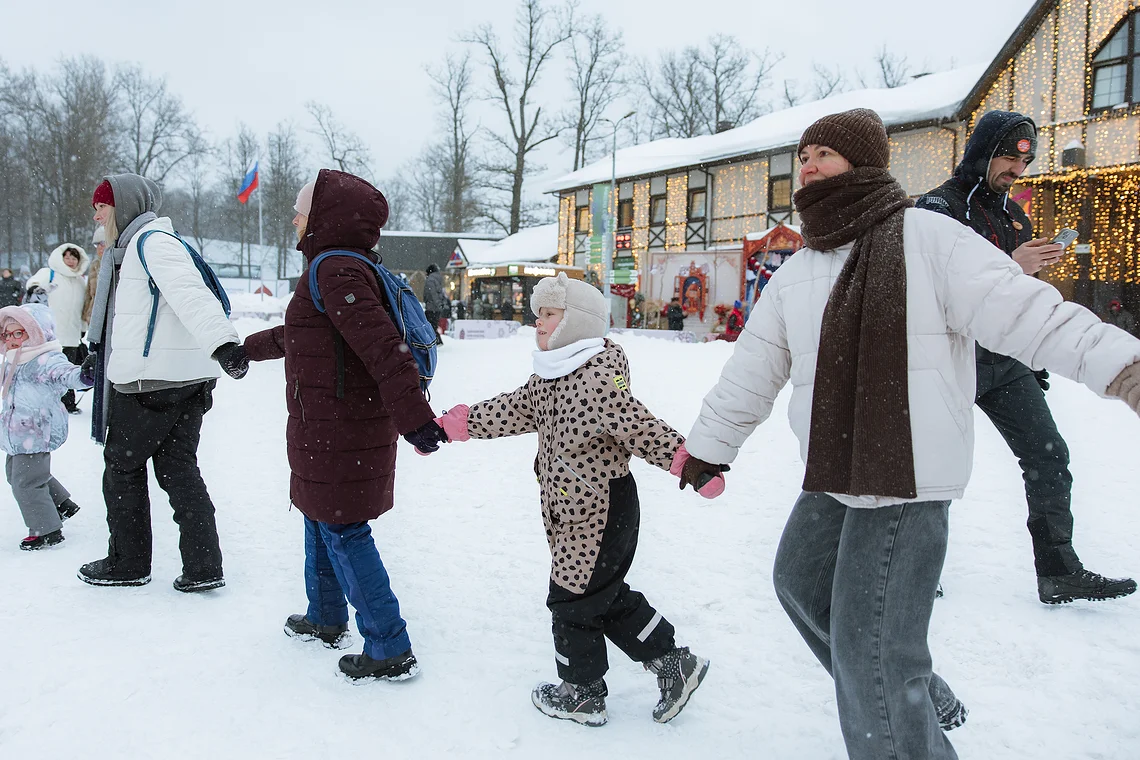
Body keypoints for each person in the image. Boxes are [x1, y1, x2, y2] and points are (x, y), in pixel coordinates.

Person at [679, 108, 1140, 760]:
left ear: (863, 164)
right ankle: (916, 690)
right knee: (800, 584)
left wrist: (1125, 370)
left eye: (825, 154)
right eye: (804, 154)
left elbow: (1026, 312)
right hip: (833, 471)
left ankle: (902, 700)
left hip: (906, 476)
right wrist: (708, 447)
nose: (808, 164)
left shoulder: (928, 238)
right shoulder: (800, 272)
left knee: (873, 662)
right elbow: (752, 370)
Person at [434, 272, 718, 727]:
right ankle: (673, 662)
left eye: (548, 315)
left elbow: (642, 427)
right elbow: (511, 409)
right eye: (537, 316)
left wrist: (689, 463)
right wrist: (456, 425)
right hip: (571, 509)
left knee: (570, 599)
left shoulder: (598, 378)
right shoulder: (550, 375)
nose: (538, 324)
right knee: (599, 596)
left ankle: (582, 692)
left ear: (576, 322)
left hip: (601, 509)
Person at [916, 111, 1136, 604]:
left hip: (1006, 361)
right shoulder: (934, 209)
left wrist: (1031, 275)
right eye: (1010, 157)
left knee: (1049, 456)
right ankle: (912, 568)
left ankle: (1058, 570)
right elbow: (930, 292)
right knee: (928, 467)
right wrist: (1014, 266)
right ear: (982, 151)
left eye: (1026, 159)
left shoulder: (1016, 216)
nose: (1018, 168)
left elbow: (1016, 298)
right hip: (949, 357)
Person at [243, 170, 446, 681]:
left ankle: (388, 645)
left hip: (341, 426)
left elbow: (383, 349)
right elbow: (301, 332)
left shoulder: (336, 269)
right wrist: (244, 350)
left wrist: (416, 420)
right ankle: (326, 615)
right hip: (330, 424)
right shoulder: (336, 268)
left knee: (342, 526)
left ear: (324, 217)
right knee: (320, 516)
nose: (294, 217)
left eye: (301, 209)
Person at [78, 174, 243, 592]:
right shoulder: (135, 247)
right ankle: (204, 567)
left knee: (122, 468)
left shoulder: (151, 243)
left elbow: (191, 294)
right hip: (184, 381)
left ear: (124, 205)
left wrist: (225, 344)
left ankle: (128, 562)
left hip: (151, 384)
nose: (96, 213)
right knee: (178, 469)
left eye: (102, 205)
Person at [0, 304, 93, 550]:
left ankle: (46, 529)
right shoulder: (12, 360)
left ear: (35, 332)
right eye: (7, 334)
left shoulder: (45, 359)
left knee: (25, 481)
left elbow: (66, 374)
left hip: (36, 431)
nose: (11, 339)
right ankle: (61, 504)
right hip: (17, 432)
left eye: (18, 333)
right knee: (18, 476)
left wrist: (84, 375)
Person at [27, 244, 90, 414]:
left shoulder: (80, 281)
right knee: (47, 371)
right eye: (67, 257)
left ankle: (68, 404)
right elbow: (32, 283)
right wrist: (36, 289)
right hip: (51, 335)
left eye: (74, 257)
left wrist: (82, 328)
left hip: (71, 335)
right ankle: (46, 403)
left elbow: (83, 307)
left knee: (67, 370)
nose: (70, 261)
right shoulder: (50, 274)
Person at [83, 226, 106, 326]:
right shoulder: (95, 265)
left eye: (103, 243)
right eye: (97, 245)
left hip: (109, 318)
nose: (100, 248)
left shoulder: (119, 264)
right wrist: (85, 316)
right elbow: (89, 294)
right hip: (94, 318)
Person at [423, 263, 447, 345]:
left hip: (431, 306)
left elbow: (432, 293)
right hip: (436, 307)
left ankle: (436, 341)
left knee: (429, 324)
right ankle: (436, 340)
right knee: (433, 324)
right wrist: (441, 304)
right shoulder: (439, 279)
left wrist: (434, 303)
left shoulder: (430, 280)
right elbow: (441, 293)